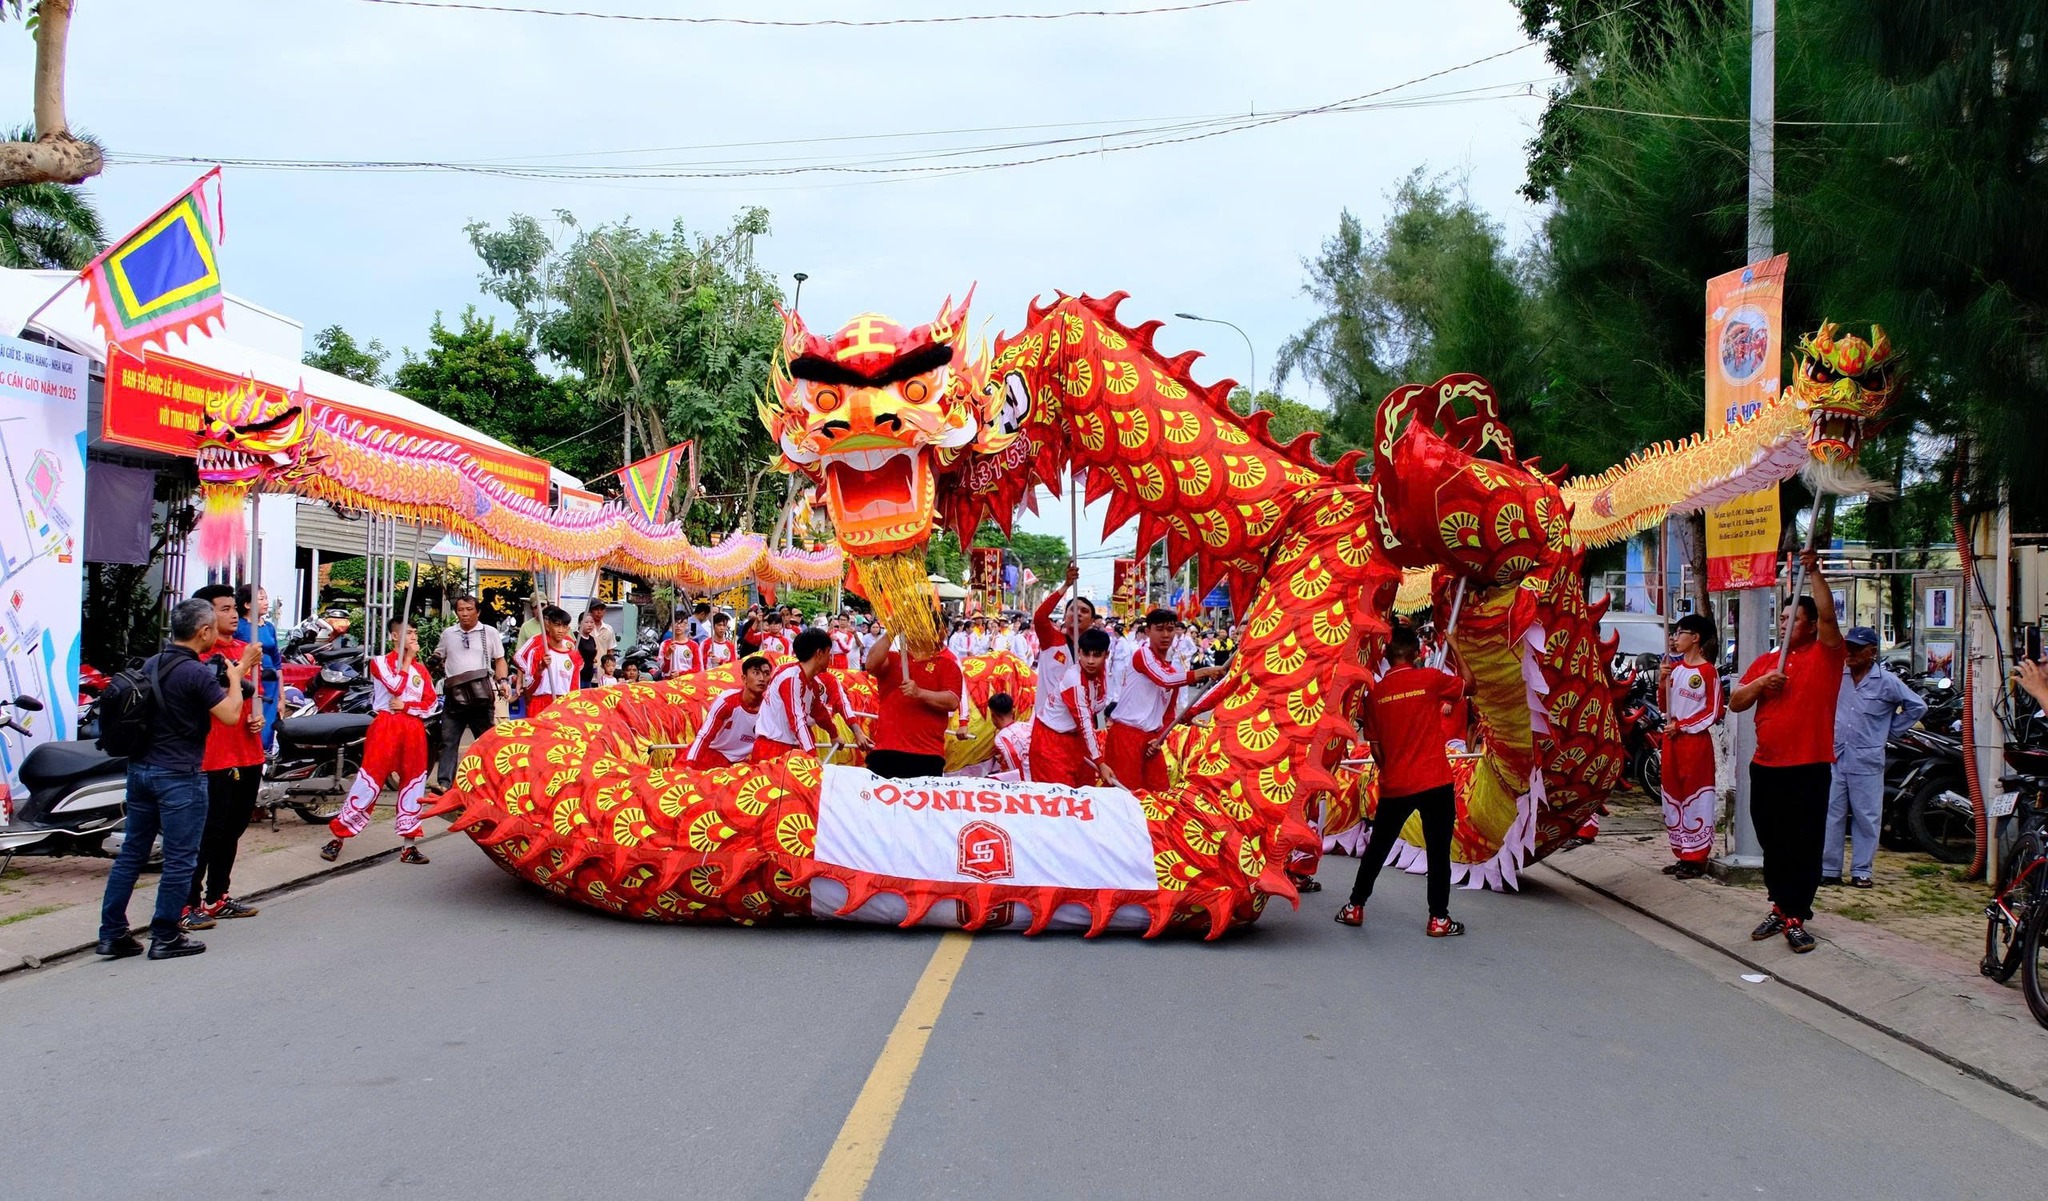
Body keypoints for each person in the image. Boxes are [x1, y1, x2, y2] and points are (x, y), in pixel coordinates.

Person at [98, 597, 258, 961]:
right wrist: (236, 676)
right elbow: (231, 715)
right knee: (181, 858)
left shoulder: (151, 663)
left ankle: (112, 934)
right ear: (203, 632)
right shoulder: (195, 673)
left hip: (140, 772)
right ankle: (166, 934)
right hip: (180, 775)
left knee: (132, 854)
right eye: (214, 628)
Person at [1727, 551, 1846, 954]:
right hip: (1766, 766)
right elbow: (1736, 702)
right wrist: (1762, 684)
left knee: (1803, 843)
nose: (1782, 622)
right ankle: (1780, 905)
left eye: (1793, 617)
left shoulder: (1826, 654)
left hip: (1808, 766)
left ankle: (1796, 914)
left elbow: (1829, 616)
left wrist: (1812, 572)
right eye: (1781, 617)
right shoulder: (1766, 662)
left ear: (1811, 626)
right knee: (1772, 841)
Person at [1336, 623, 1468, 937]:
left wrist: (1392, 770)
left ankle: (1355, 906)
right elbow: (1470, 685)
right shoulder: (1430, 679)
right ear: (1416, 652)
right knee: (1438, 852)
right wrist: (1454, 644)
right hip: (1436, 780)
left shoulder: (1375, 694)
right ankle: (1438, 919)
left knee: (1378, 848)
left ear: (1386, 652)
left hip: (1396, 783)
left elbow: (1377, 750)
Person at [178, 584, 269, 932]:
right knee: (207, 832)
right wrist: (243, 666)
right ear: (205, 618)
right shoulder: (199, 656)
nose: (233, 614)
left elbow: (249, 697)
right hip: (213, 757)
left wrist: (256, 714)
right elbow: (212, 693)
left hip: (246, 751)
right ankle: (189, 900)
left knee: (233, 828)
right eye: (225, 608)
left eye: (234, 608)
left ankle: (219, 895)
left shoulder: (246, 649)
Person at [322, 619, 438, 866]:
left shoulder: (422, 670)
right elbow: (395, 685)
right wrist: (406, 661)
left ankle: (409, 845)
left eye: (415, 632)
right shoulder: (379, 663)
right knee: (369, 781)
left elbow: (431, 703)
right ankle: (337, 838)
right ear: (395, 637)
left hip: (413, 728)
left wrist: (408, 706)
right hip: (386, 725)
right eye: (409, 633)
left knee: (414, 783)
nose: (414, 637)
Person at [1824, 626, 1927, 887]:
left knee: (1866, 816)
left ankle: (1862, 871)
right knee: (1832, 814)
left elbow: (1918, 706)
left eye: (1858, 649)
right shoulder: (1839, 675)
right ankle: (1829, 869)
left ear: (1872, 652)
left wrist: (1891, 729)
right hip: (1836, 754)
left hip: (1867, 757)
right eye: (1849, 647)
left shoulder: (1886, 681)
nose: (1852, 653)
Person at [1105, 608, 1224, 792]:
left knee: (1159, 791)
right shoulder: (1142, 654)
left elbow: (1169, 714)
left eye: (1170, 629)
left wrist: (1159, 739)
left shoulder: (1173, 671)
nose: (1165, 635)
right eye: (1159, 629)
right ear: (1148, 632)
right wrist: (1204, 672)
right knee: (1125, 797)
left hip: (1151, 739)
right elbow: (1164, 679)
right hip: (1125, 736)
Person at [1657, 613, 1725, 878]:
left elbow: (1714, 710)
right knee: (1673, 793)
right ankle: (1682, 852)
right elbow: (1664, 707)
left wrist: (1683, 725)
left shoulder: (1708, 672)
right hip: (1671, 740)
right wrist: (1662, 682)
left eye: (1680, 632)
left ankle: (1696, 858)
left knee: (1696, 795)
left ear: (1695, 638)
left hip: (1694, 742)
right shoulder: (1673, 670)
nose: (1675, 638)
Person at [864, 623, 965, 779]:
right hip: (886, 750)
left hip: (926, 754)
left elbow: (952, 701)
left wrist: (920, 693)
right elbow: (870, 665)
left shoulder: (947, 664)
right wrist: (892, 630)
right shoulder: (893, 658)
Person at [752, 628, 870, 760]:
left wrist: (834, 734)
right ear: (819, 653)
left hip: (792, 748)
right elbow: (797, 721)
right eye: (828, 652)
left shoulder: (811, 682)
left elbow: (819, 711)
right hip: (774, 749)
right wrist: (812, 756)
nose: (830, 658)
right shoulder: (791, 678)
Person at [431, 595, 507, 796]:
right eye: (461, 610)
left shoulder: (489, 632)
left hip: (480, 696)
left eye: (469, 609)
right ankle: (445, 784)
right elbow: (440, 653)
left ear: (478, 611)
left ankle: (493, 781)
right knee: (448, 740)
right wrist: (435, 659)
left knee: (487, 741)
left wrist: (503, 681)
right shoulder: (449, 634)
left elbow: (500, 660)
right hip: (454, 696)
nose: (464, 614)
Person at [1032, 626, 1118, 788]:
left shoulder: (1102, 674)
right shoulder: (1075, 681)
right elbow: (1085, 722)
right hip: (1051, 742)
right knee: (1062, 800)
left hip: (1077, 742)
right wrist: (1100, 762)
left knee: (1084, 794)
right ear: (1079, 652)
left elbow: (1096, 709)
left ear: (1106, 655)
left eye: (1097, 655)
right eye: (1086, 654)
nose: (1091, 661)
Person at [687, 656, 775, 768]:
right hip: (710, 755)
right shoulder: (726, 701)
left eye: (766, 673)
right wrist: (690, 764)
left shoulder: (771, 708)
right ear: (744, 679)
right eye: (756, 673)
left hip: (741, 765)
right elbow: (705, 736)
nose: (762, 678)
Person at [235, 583, 280, 749]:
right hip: (249, 680)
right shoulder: (239, 627)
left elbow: (277, 660)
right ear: (247, 605)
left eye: (266, 598)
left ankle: (265, 754)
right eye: (261, 599)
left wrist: (281, 695)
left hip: (271, 681)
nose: (266, 602)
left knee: (268, 721)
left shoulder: (269, 627)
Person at [516, 605, 581, 719]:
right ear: (548, 625)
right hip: (540, 704)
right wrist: (540, 668)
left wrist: (573, 710)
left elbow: (575, 688)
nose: (560, 630)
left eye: (564, 626)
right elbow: (530, 687)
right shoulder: (537, 649)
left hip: (563, 706)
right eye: (556, 625)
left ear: (568, 629)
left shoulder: (573, 654)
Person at [988, 692, 1031, 782]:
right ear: (1012, 710)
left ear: (993, 716)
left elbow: (1014, 763)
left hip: (1027, 782)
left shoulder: (1001, 738)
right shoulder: (1027, 726)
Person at [586, 599, 617, 665]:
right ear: (590, 611)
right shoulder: (584, 628)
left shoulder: (608, 629)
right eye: (596, 609)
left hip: (602, 667)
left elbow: (610, 651)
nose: (599, 612)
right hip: (586, 667)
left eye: (602, 609)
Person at [576, 611, 602, 689]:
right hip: (578, 675)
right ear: (580, 623)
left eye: (592, 622)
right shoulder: (575, 637)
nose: (590, 625)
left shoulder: (591, 639)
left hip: (589, 675)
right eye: (586, 622)